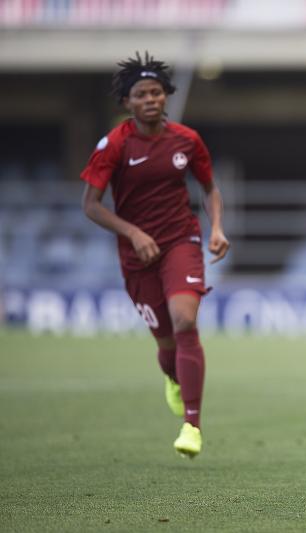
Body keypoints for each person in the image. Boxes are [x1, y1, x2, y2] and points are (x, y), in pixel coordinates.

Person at [80, 52, 229, 458]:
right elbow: (90, 204)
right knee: (166, 344)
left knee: (185, 321)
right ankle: (174, 377)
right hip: (136, 257)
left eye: (157, 92)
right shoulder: (114, 145)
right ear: (127, 102)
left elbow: (209, 187)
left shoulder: (187, 139)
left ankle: (192, 427)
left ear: (166, 96)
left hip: (181, 241)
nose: (151, 99)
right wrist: (132, 233)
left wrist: (215, 227)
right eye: (142, 94)